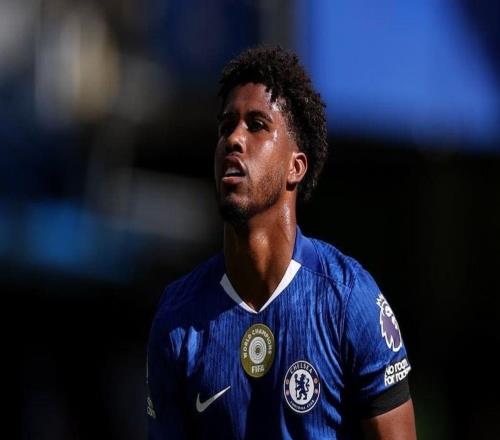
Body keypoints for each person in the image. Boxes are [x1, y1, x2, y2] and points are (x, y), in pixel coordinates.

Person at [147, 46, 416, 439]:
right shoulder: (177, 318)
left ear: (296, 167)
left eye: (256, 125)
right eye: (226, 126)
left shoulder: (348, 300)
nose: (234, 139)